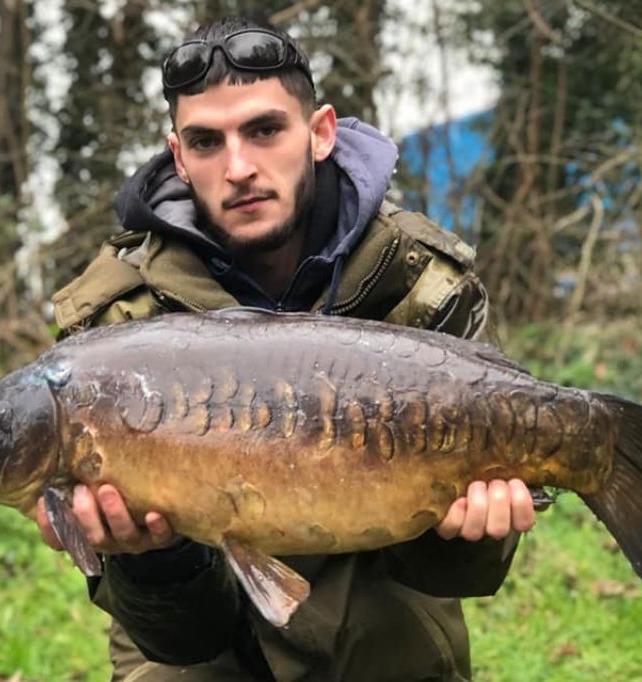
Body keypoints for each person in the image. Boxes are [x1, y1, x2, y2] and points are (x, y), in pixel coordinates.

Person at [37, 15, 536, 682]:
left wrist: (478, 530)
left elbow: (456, 577)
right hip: (203, 642)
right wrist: (153, 559)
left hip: (385, 621)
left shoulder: (421, 283)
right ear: (178, 157)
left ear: (320, 132)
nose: (239, 167)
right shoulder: (113, 322)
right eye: (206, 142)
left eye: (265, 130)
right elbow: (175, 635)